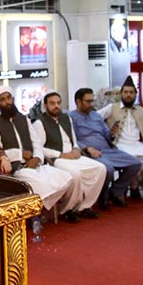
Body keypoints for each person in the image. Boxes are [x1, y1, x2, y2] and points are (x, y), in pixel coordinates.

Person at [0, 86, 76, 213]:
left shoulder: (24, 119)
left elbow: (37, 143)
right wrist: (20, 153)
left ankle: (42, 207)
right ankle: (40, 211)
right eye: (3, 100)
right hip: (18, 168)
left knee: (67, 178)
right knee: (44, 185)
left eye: (9, 98)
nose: (7, 102)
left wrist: (37, 158)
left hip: (36, 164)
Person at [33, 92, 108, 221]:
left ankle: (85, 206)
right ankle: (67, 209)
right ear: (45, 106)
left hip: (73, 156)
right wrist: (61, 154)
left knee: (101, 168)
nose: (56, 106)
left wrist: (76, 149)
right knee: (75, 175)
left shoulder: (66, 118)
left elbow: (73, 139)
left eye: (58, 103)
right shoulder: (39, 122)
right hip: (58, 159)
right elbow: (39, 148)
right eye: (52, 103)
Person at [70, 87, 142, 210]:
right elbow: (73, 140)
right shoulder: (71, 118)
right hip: (89, 152)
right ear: (78, 102)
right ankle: (102, 197)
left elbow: (107, 135)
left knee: (135, 164)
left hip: (107, 149)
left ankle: (114, 192)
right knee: (107, 169)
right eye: (87, 101)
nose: (91, 104)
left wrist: (112, 133)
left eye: (92, 101)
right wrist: (87, 148)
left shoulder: (96, 116)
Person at [99, 76, 143, 196]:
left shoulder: (140, 110)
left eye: (131, 92)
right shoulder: (112, 108)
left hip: (137, 144)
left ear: (135, 94)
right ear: (121, 94)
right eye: (125, 92)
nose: (128, 95)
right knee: (133, 161)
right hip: (119, 145)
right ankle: (133, 187)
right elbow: (95, 118)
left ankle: (131, 183)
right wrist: (106, 131)